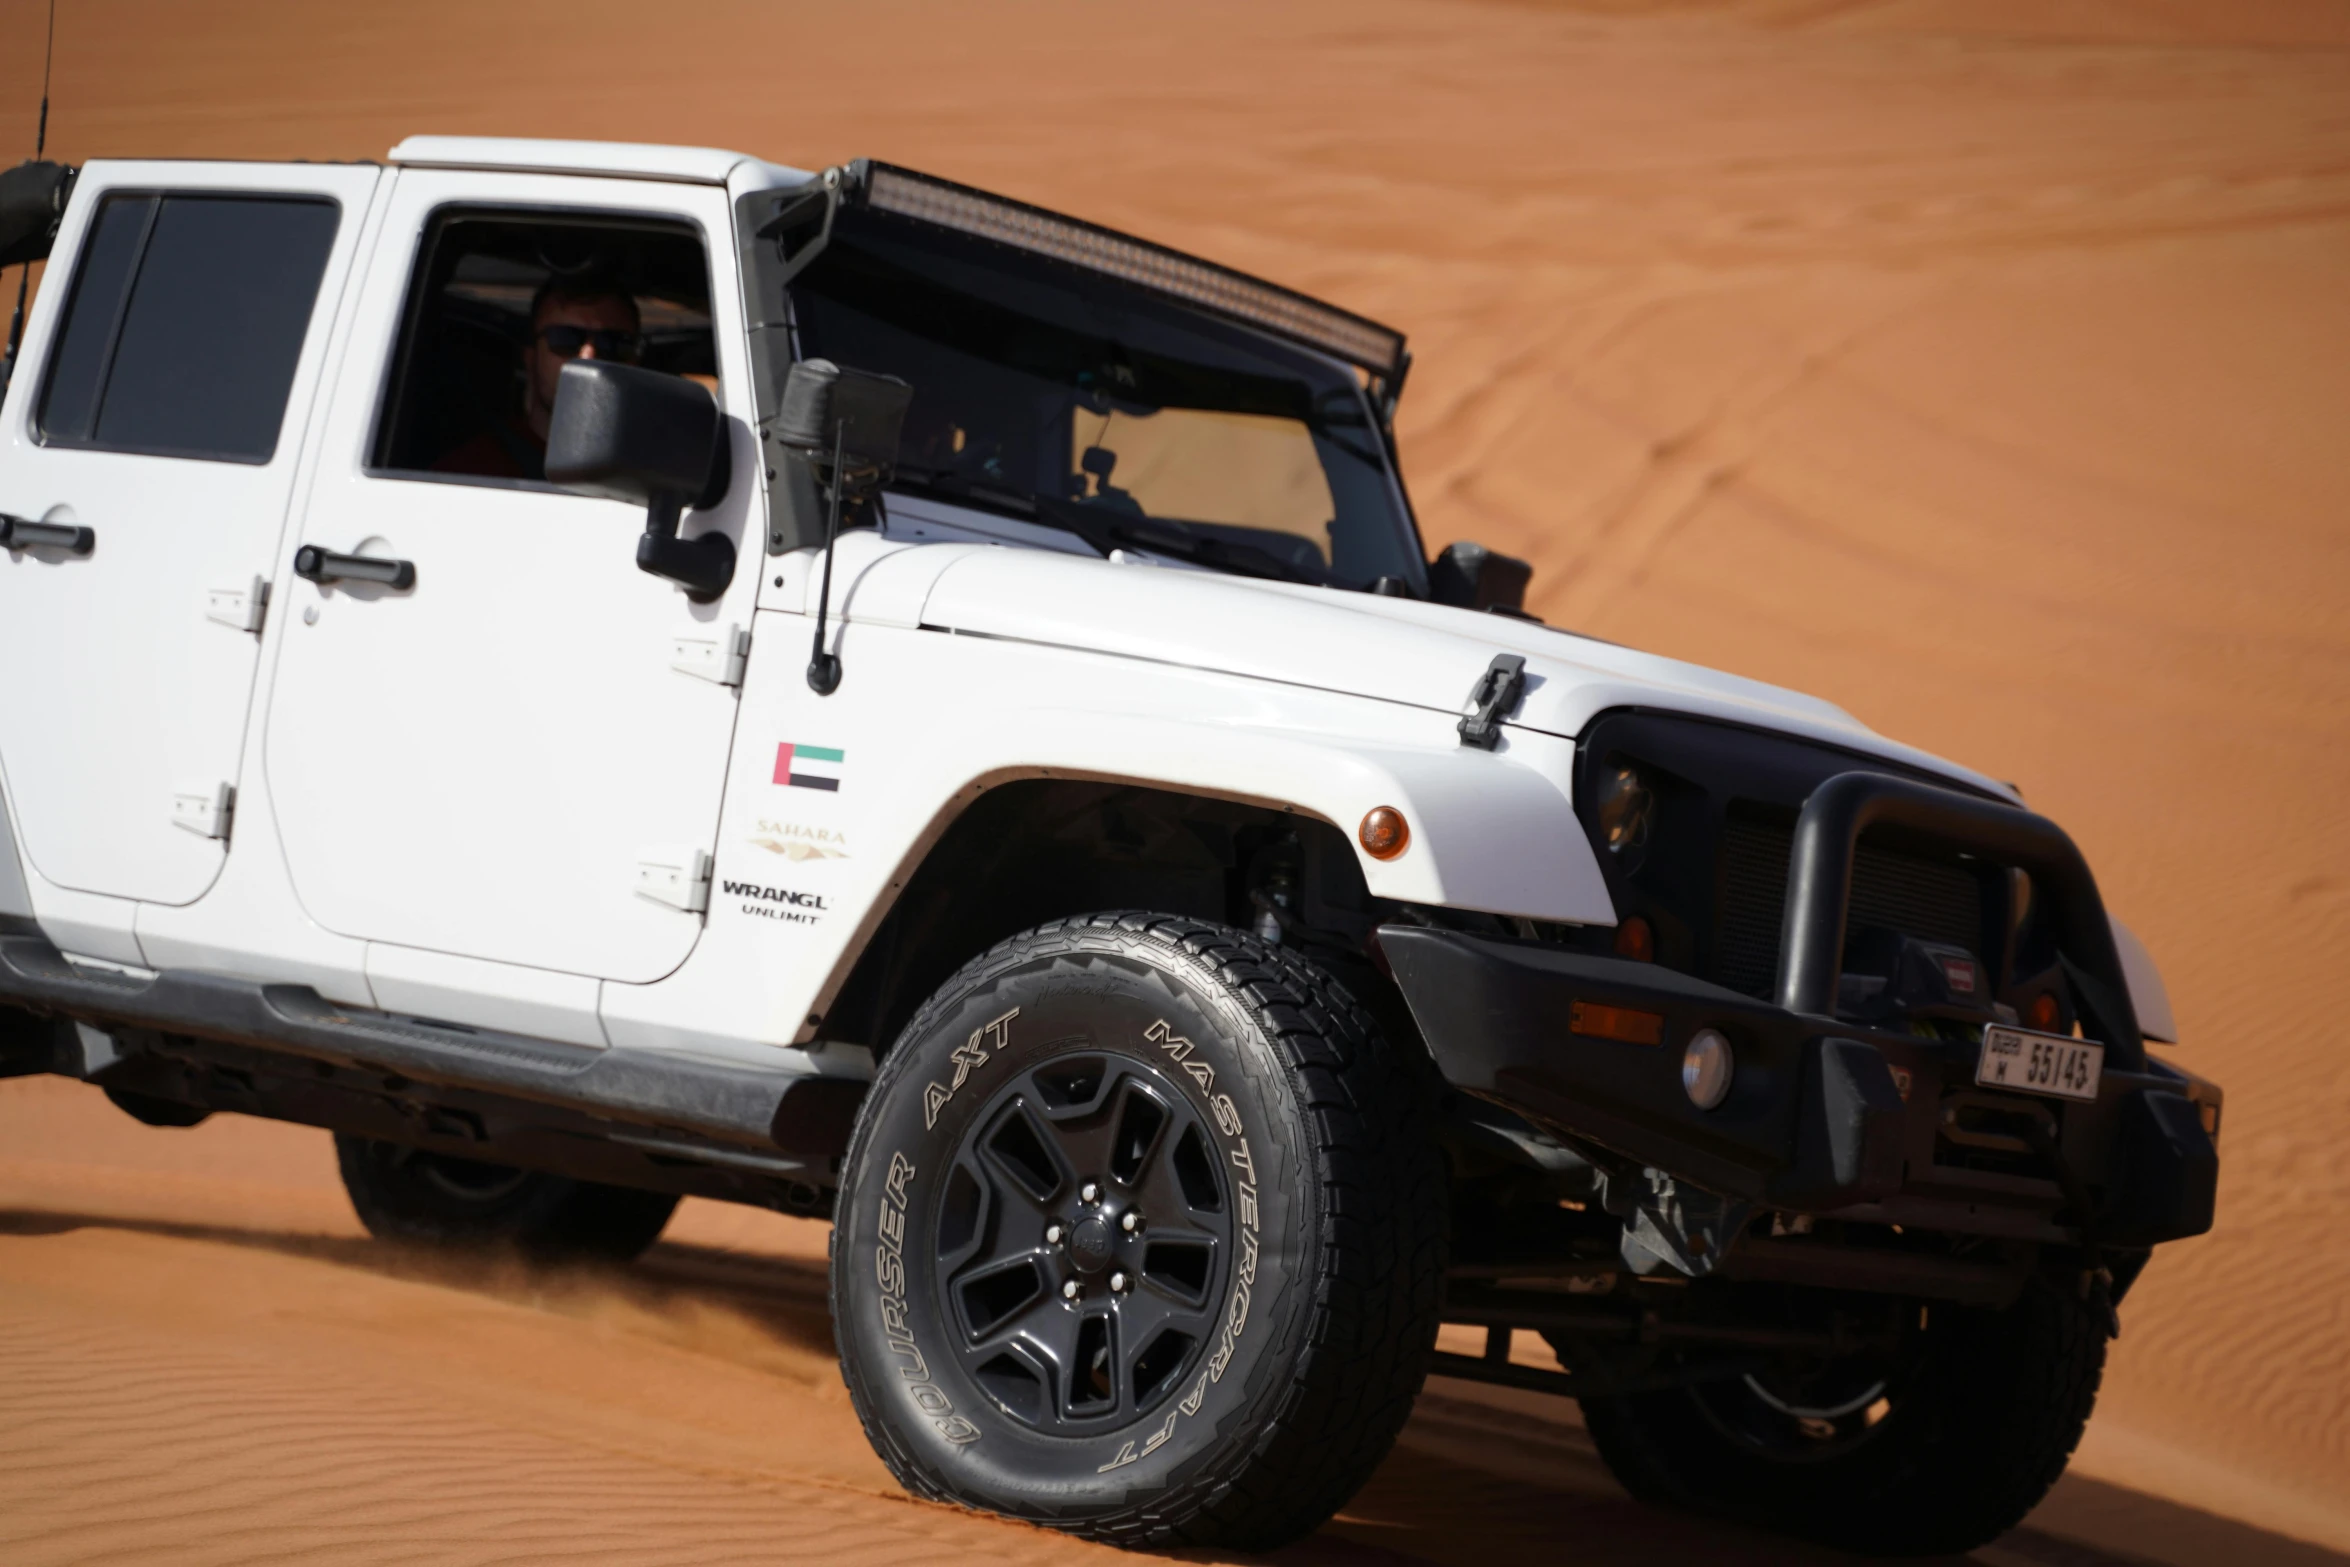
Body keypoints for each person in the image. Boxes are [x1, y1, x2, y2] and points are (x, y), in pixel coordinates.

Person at [434, 278, 642, 479]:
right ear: (530, 357)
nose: (588, 357)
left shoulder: (653, 473)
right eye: (565, 339)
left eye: (613, 344)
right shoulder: (472, 471)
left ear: (635, 361)